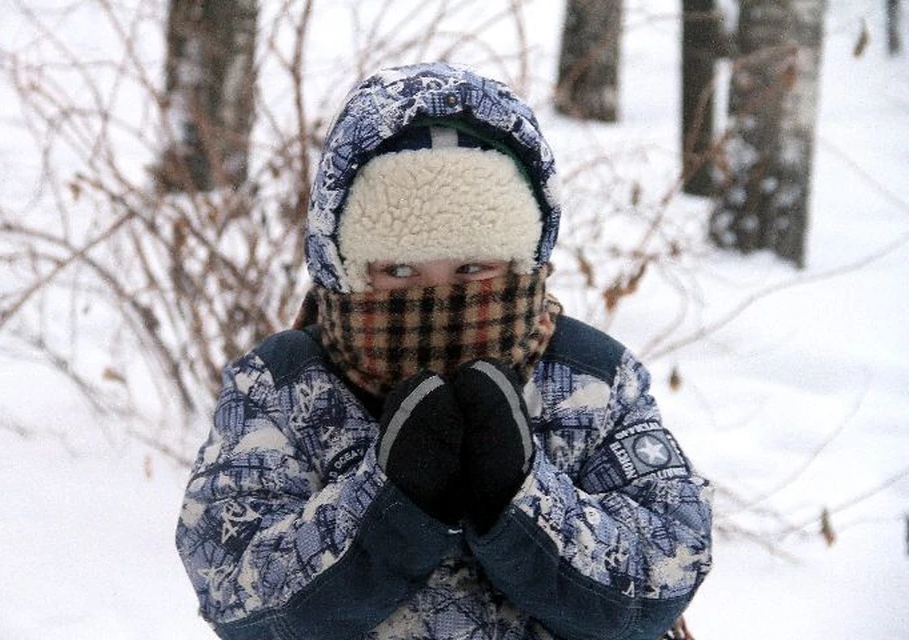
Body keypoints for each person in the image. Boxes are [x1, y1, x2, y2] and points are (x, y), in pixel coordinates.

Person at [175, 62, 712, 640]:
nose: (440, 297)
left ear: (521, 258)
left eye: (474, 267)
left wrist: (525, 498)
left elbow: (667, 568)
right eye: (399, 269)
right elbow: (232, 587)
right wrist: (385, 504)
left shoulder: (591, 380)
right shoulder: (284, 386)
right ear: (345, 267)